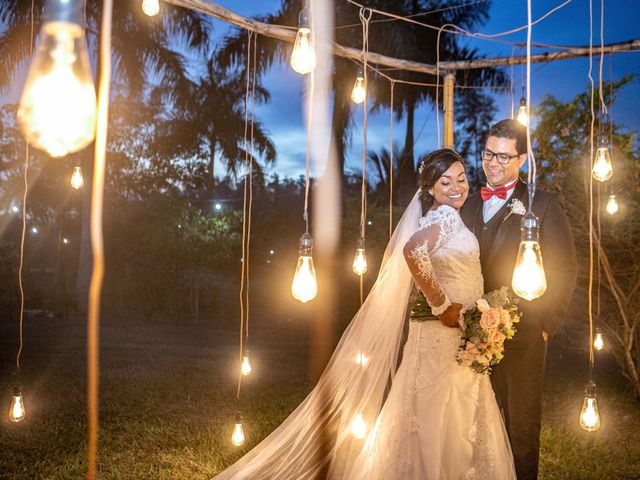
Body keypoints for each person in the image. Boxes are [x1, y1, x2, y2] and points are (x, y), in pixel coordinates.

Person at [213, 149, 516, 480]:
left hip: (452, 339)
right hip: (441, 336)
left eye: (462, 178)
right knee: (442, 414)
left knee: (439, 412)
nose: (457, 187)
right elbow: (413, 250)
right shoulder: (442, 217)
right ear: (429, 188)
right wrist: (441, 304)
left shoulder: (449, 218)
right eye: (446, 181)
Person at [461, 119, 578, 480]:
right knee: (474, 422)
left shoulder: (542, 204)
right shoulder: (465, 204)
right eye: (487, 153)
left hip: (523, 335)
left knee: (520, 428)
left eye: (503, 156)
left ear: (522, 159)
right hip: (470, 337)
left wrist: (546, 325)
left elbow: (565, 265)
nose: (493, 163)